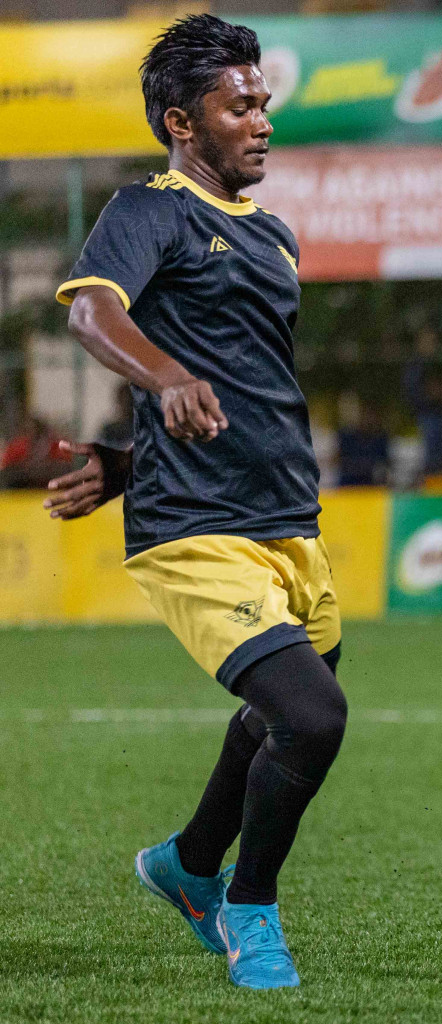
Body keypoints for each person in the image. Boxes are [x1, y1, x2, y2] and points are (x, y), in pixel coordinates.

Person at [43, 15, 341, 990]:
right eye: (238, 105)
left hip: (287, 521)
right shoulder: (151, 210)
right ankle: (247, 905)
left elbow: (239, 392)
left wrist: (129, 457)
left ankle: (185, 862)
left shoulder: (279, 240)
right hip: (196, 534)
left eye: (264, 102)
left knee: (275, 715)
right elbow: (93, 309)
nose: (261, 120)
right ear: (182, 122)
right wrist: (163, 376)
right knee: (311, 715)